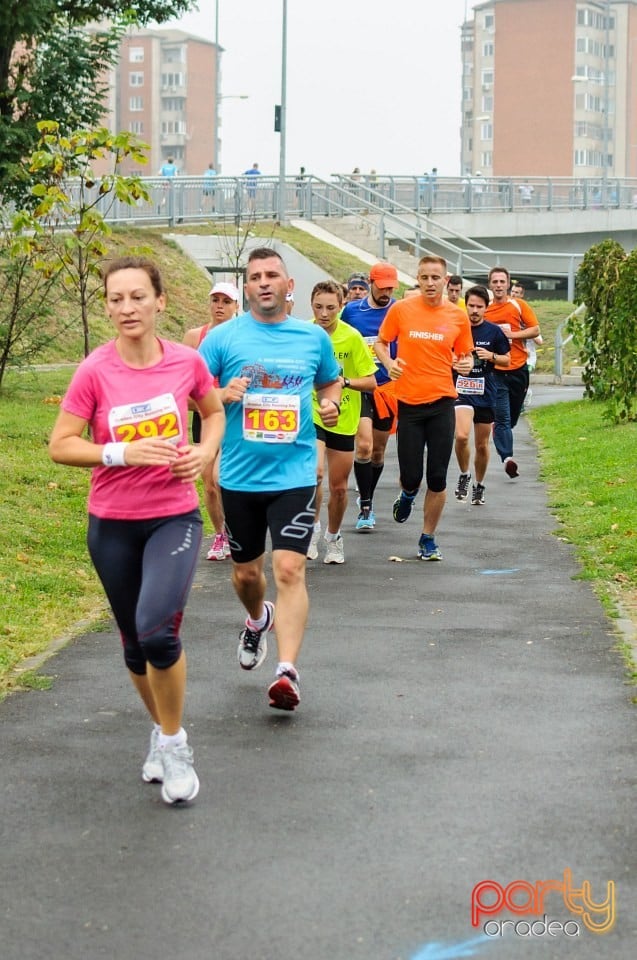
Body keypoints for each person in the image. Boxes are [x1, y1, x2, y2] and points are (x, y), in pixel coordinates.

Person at [48, 256, 225, 805]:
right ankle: (162, 730)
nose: (127, 308)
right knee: (132, 644)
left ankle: (174, 744)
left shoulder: (186, 362)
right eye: (116, 299)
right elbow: (60, 444)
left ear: (160, 301)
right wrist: (119, 451)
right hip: (112, 523)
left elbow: (213, 412)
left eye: (137, 297)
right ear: (106, 305)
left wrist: (203, 451)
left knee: (157, 632)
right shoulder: (94, 370)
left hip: (172, 515)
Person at [198, 248, 341, 712]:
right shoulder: (222, 339)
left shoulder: (311, 338)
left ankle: (287, 672)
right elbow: (193, 394)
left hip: (295, 474)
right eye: (255, 276)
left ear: (288, 285)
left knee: (289, 569)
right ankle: (258, 618)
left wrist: (331, 403)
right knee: (246, 575)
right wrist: (222, 393)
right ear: (246, 287)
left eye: (272, 275)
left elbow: (329, 381)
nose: (263, 282)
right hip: (240, 476)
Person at [374, 255, 474, 560]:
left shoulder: (458, 317)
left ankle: (428, 538)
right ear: (417, 279)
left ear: (445, 281)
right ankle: (407, 494)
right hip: (409, 405)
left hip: (443, 402)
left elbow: (465, 356)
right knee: (412, 475)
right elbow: (380, 342)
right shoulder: (402, 310)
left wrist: (467, 364)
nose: (430, 283)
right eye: (424, 278)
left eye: (435, 278)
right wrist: (389, 363)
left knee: (438, 477)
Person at [307, 281, 377, 563]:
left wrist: (344, 382)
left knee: (338, 487)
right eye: (318, 307)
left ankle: (334, 537)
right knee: (314, 475)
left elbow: (371, 382)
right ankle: (311, 531)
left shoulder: (352, 337)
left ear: (342, 306)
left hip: (344, 417)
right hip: (311, 413)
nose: (324, 313)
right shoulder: (303, 333)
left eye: (331, 308)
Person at [183, 281, 240, 561]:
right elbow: (183, 384)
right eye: (215, 300)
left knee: (224, 479)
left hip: (233, 414)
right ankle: (221, 534)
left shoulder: (241, 336)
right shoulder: (195, 337)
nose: (219, 306)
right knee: (209, 482)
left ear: (236, 307)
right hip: (204, 414)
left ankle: (237, 528)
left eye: (226, 301)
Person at [341, 262, 399, 530]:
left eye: (391, 287)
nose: (387, 292)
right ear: (372, 283)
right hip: (362, 386)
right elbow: (339, 340)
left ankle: (369, 494)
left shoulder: (398, 311)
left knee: (377, 452)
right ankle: (366, 506)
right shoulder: (352, 311)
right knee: (363, 446)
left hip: (388, 389)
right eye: (383, 286)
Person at [453, 285, 511, 506]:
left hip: (485, 392)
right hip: (461, 391)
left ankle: (479, 485)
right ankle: (464, 474)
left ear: (486, 308)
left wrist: (491, 355)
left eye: (479, 306)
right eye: (471, 306)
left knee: (481, 445)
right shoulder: (457, 328)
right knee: (461, 436)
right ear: (465, 306)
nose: (474, 310)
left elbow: (507, 360)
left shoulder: (494, 331)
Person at [486, 266, 540, 479]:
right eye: (495, 282)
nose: (499, 285)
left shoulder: (519, 305)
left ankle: (500, 432)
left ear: (508, 284)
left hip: (518, 369)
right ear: (490, 284)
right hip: (496, 371)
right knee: (503, 419)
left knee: (513, 417)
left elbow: (535, 330)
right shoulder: (486, 310)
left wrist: (513, 334)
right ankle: (507, 458)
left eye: (502, 282)